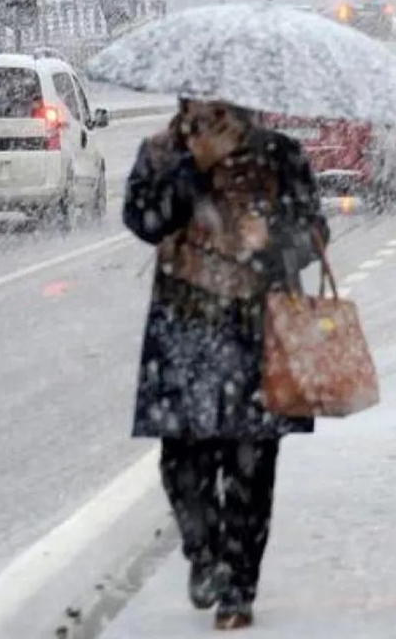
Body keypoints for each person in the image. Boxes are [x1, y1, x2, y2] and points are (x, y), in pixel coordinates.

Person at [122, 99, 330, 629]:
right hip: (184, 331)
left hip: (257, 332)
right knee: (182, 461)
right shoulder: (162, 153)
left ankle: (239, 587)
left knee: (251, 468)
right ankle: (203, 552)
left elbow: (313, 233)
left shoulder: (277, 153)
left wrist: (272, 240)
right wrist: (195, 170)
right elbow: (145, 220)